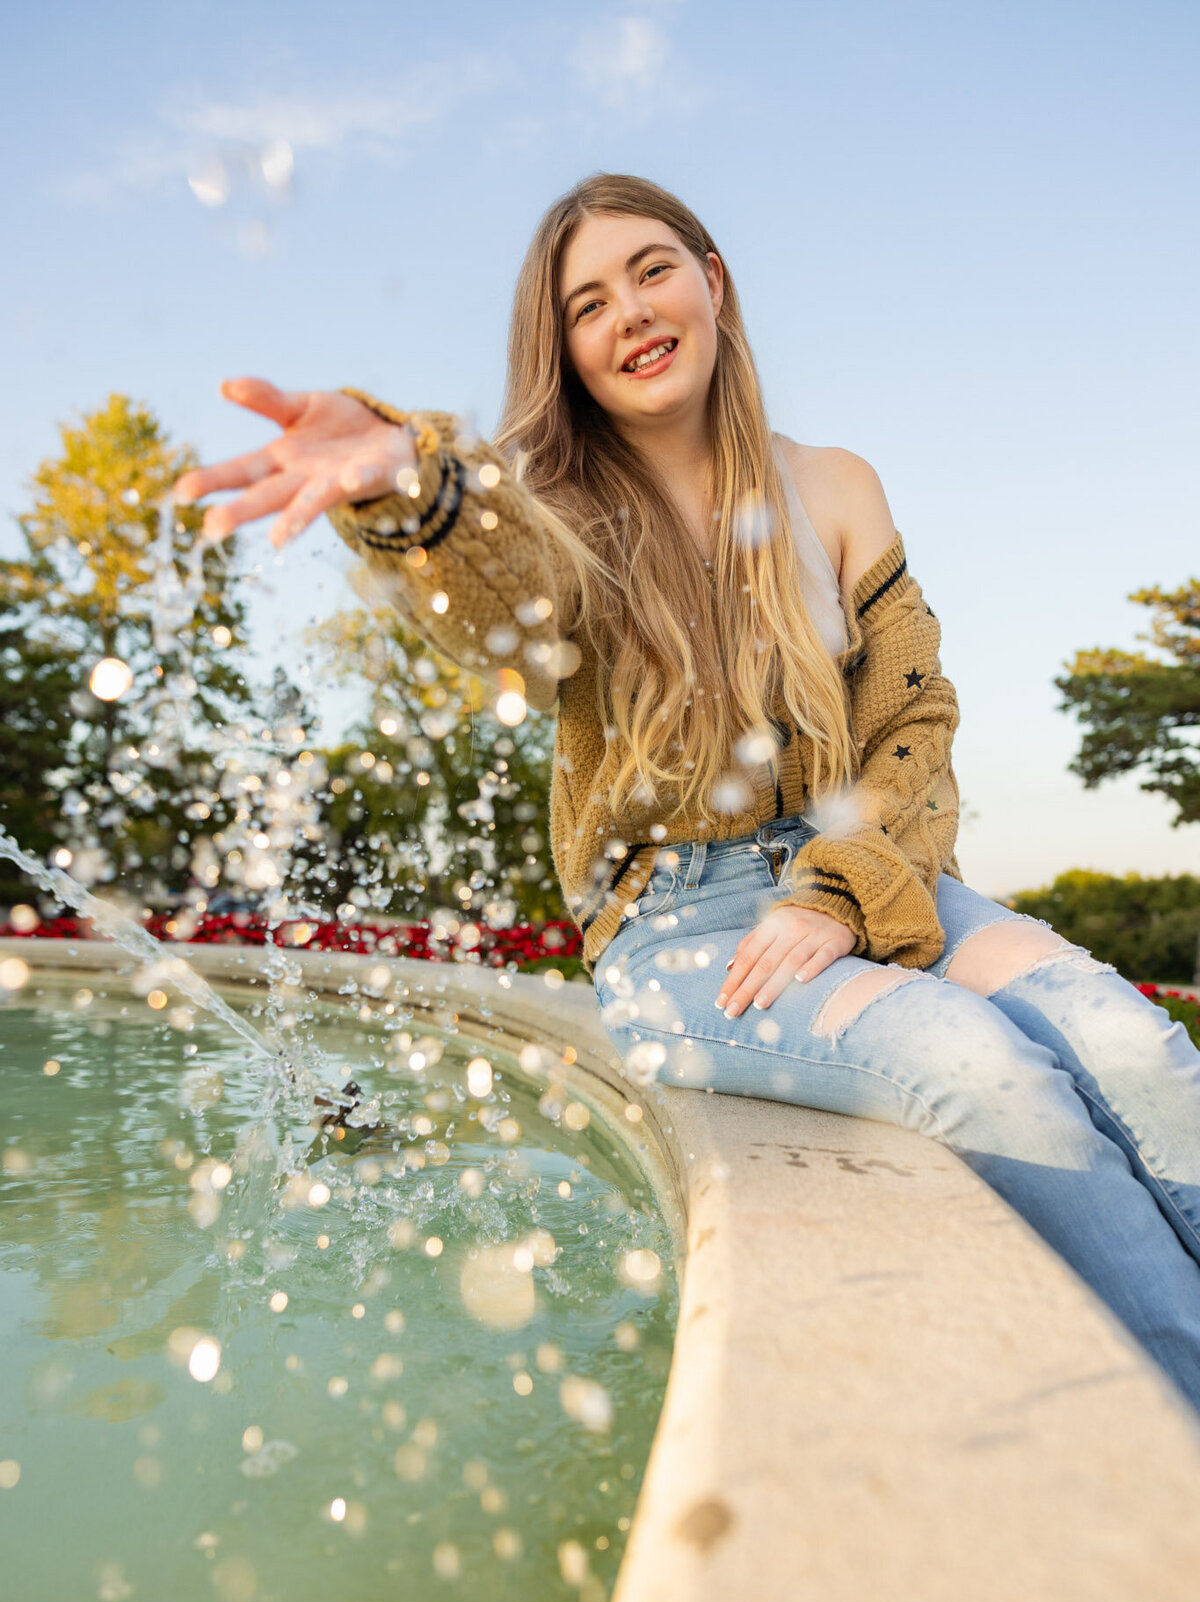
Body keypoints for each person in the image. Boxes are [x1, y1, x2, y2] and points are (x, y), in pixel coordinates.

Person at [174, 172, 1200, 1418]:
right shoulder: (550, 512)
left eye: (652, 270)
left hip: (865, 873)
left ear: (713, 279)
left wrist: (837, 891)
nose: (630, 314)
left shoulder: (833, 483)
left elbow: (912, 720)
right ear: (565, 350)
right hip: (681, 932)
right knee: (977, 1065)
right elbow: (501, 611)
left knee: (1128, 1041)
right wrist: (413, 482)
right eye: (587, 303)